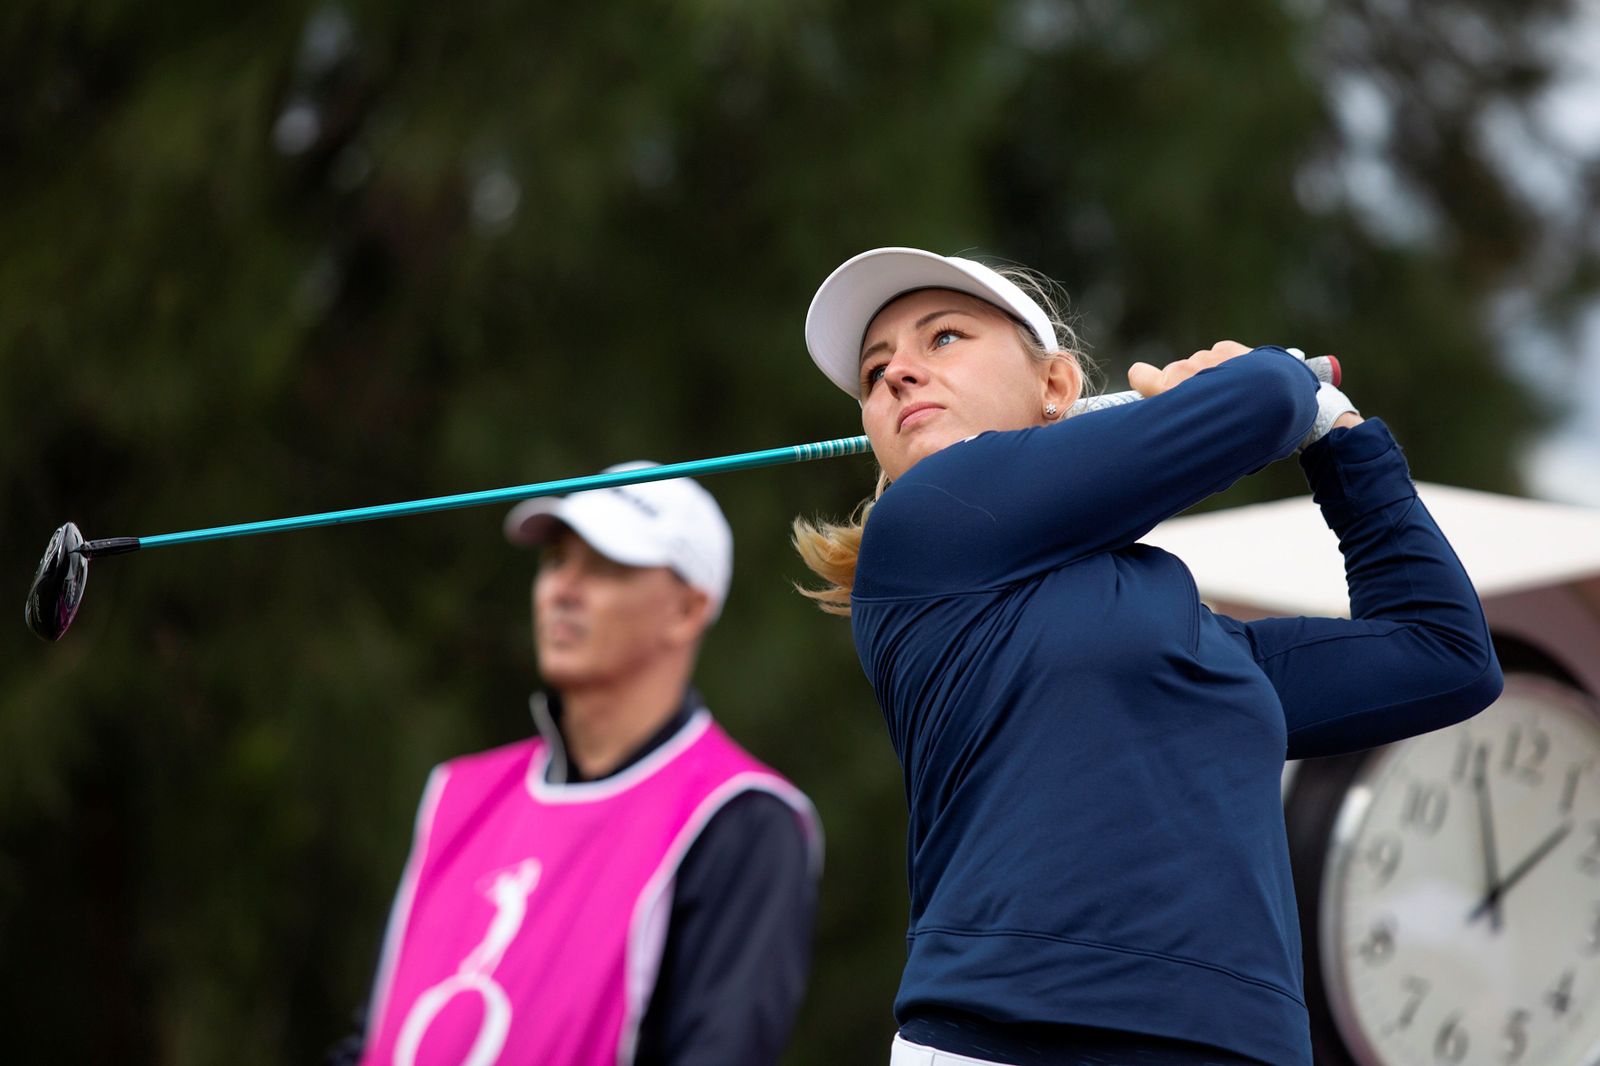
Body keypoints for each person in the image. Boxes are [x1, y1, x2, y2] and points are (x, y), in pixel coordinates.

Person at [792, 248, 1502, 1066]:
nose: (897, 376)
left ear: (1056, 387)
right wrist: (1277, 387)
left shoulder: (1192, 633)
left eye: (942, 338)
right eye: (875, 372)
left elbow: (1444, 654)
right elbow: (1266, 394)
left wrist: (1338, 433)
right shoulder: (924, 524)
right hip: (1013, 1041)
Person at [354, 464, 822, 1066]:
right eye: (555, 562)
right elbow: (374, 1039)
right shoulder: (456, 794)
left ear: (687, 610)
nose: (563, 590)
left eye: (606, 567)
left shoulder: (742, 817)